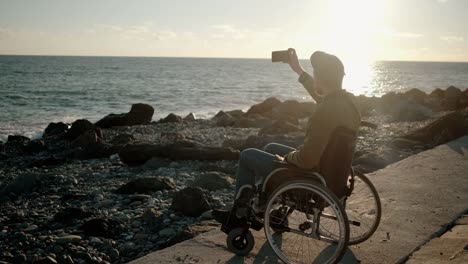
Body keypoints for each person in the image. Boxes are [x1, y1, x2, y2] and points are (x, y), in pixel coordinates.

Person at [212, 48, 361, 229]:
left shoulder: (325, 111)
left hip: (311, 178)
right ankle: (263, 207)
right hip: (334, 176)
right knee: (271, 147)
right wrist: (297, 69)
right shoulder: (347, 103)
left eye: (315, 74)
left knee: (247, 155)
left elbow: (306, 159)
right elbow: (321, 97)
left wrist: (288, 158)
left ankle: (238, 217)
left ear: (320, 78)